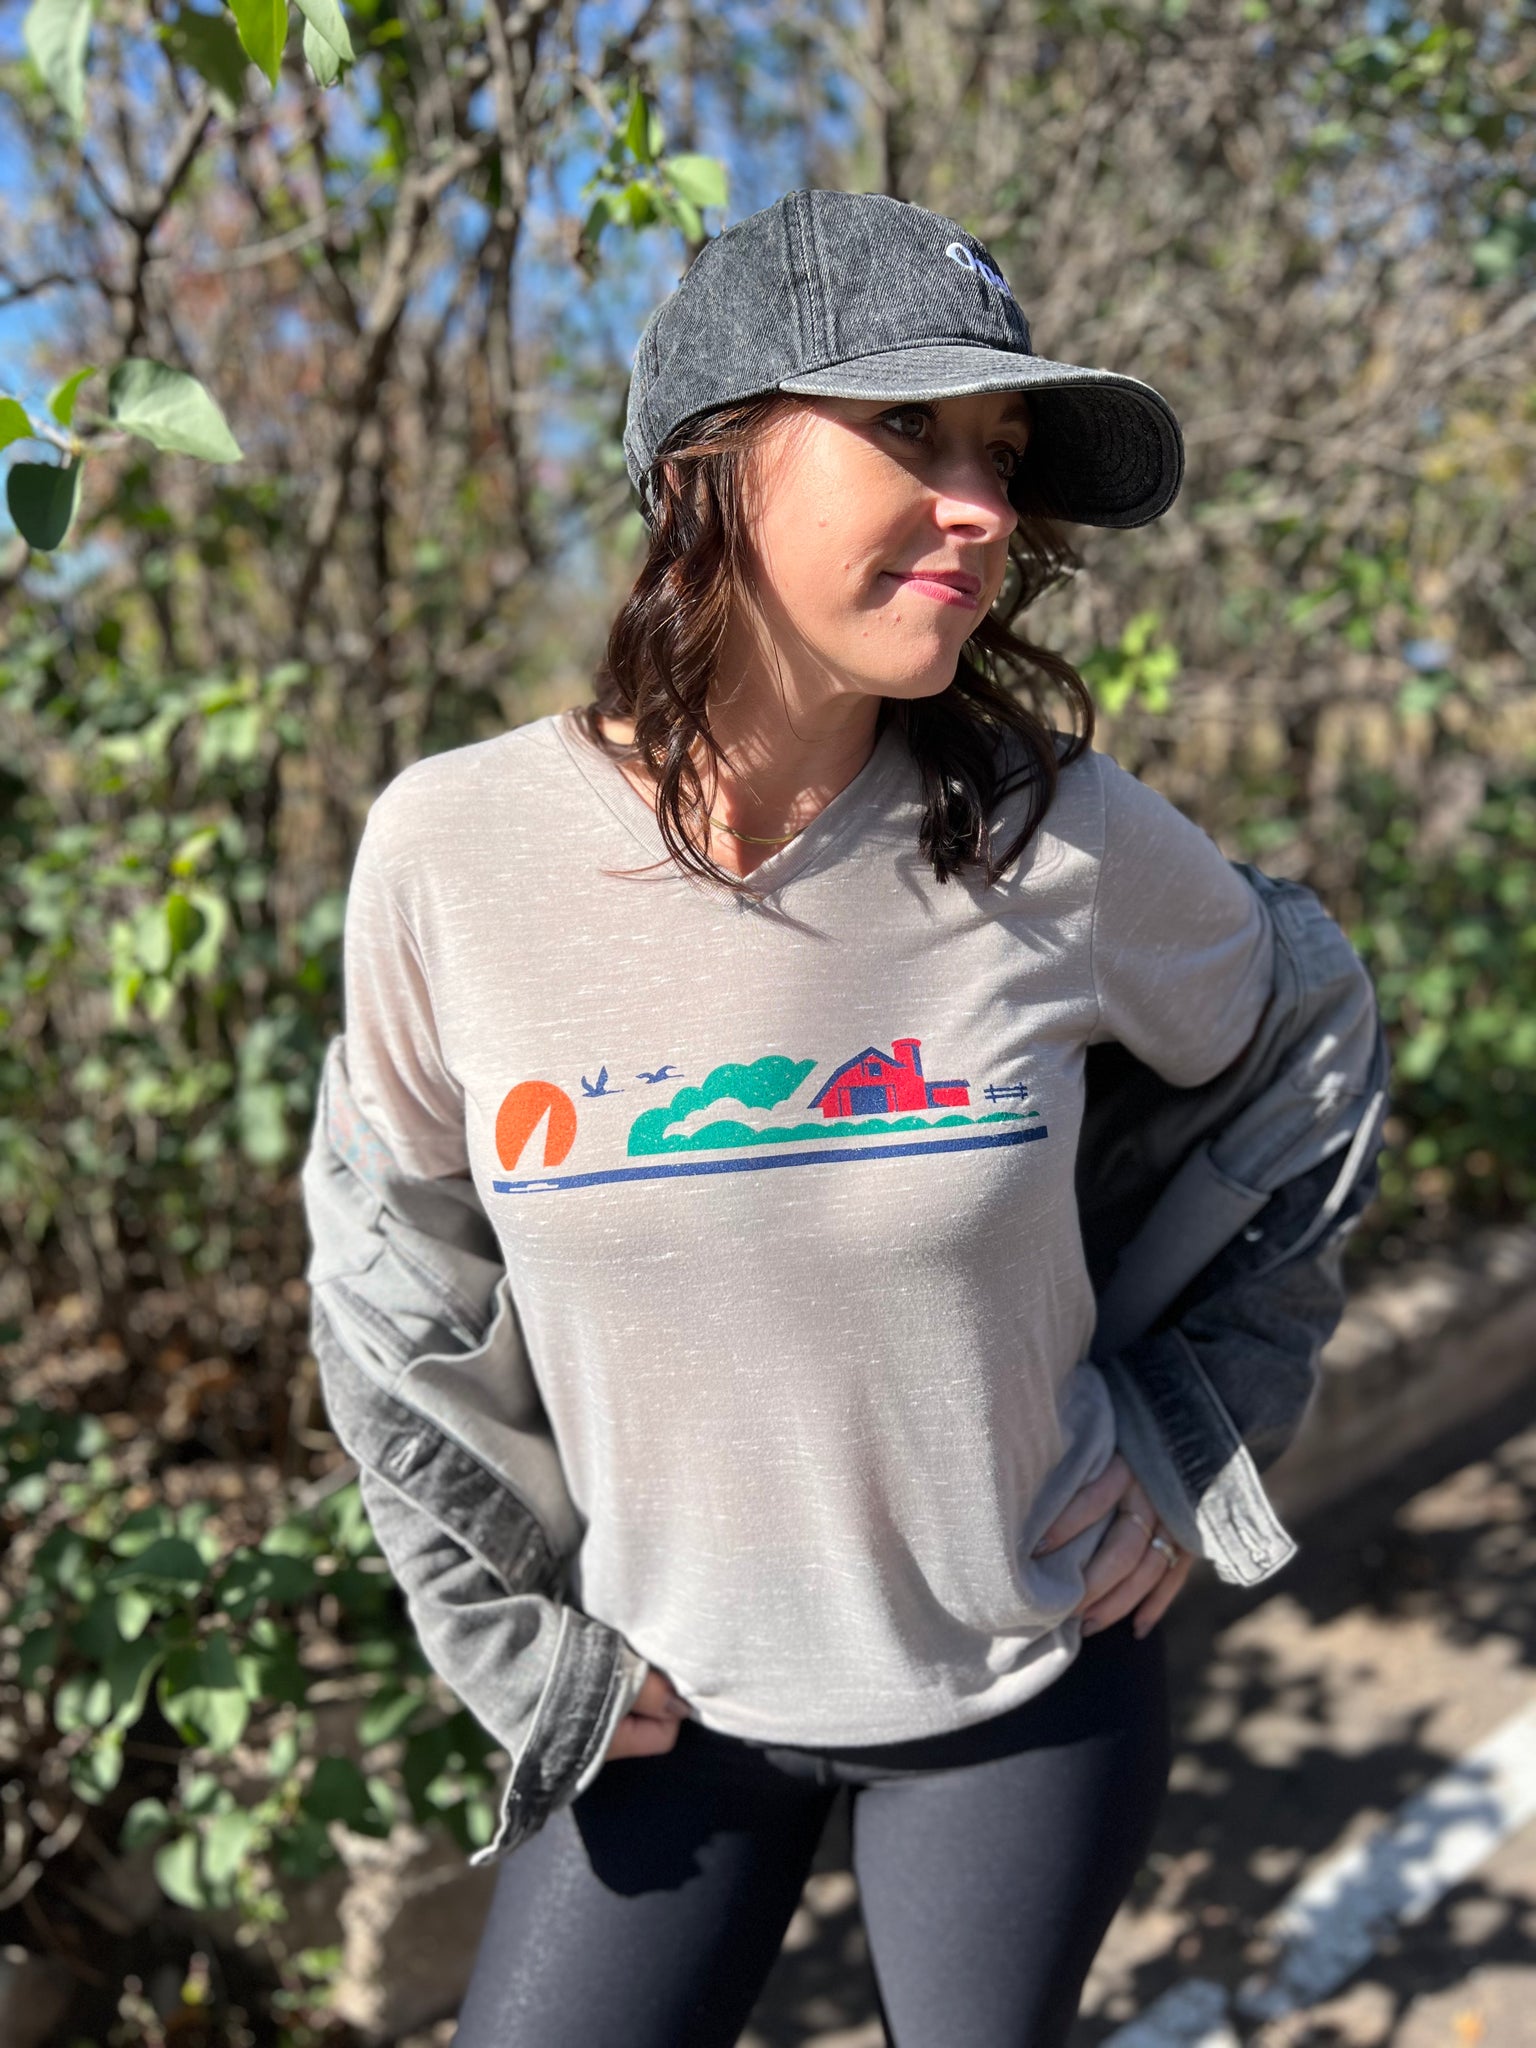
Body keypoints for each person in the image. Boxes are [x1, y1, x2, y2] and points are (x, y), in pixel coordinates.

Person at [308, 190, 1387, 2047]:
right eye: (911, 431)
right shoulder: (455, 853)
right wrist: (503, 1630)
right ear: (710, 466)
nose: (985, 508)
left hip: (1025, 1683)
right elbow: (388, 1279)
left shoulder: (1065, 840)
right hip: (666, 1700)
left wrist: (1196, 1421)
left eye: (1003, 456)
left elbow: (1314, 1034)